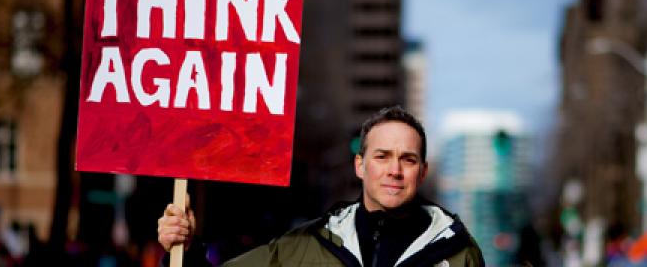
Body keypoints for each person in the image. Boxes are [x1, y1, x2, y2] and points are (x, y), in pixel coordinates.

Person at [157, 106, 485, 266]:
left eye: (408, 160)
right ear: (360, 165)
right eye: (382, 156)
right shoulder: (299, 249)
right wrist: (184, 251)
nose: (394, 171)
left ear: (423, 171)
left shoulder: (459, 255)